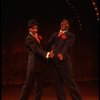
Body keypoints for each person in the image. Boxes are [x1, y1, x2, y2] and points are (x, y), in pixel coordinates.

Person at [47, 19, 82, 100]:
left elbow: (67, 46)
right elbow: (49, 44)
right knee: (58, 85)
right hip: (54, 62)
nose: (63, 23)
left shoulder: (70, 35)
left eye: (65, 23)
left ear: (68, 26)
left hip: (64, 62)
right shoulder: (54, 34)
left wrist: (62, 54)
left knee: (70, 84)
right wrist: (50, 50)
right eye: (62, 22)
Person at [20, 19, 54, 100]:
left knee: (39, 87)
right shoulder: (28, 39)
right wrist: (48, 54)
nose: (35, 30)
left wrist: (50, 50)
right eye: (33, 28)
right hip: (33, 66)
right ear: (29, 29)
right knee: (28, 86)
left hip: (41, 65)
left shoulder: (37, 36)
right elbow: (36, 50)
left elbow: (42, 48)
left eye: (36, 28)